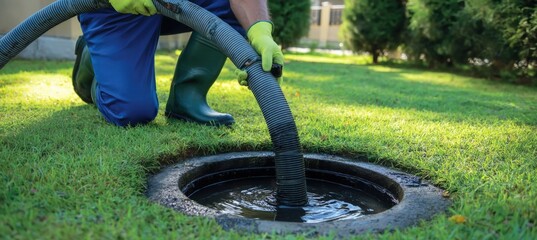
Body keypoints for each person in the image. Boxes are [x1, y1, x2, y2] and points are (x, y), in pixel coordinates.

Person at [72, 0, 283, 127]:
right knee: (131, 113)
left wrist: (259, 31)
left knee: (226, 3)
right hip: (114, 9)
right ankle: (92, 57)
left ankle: (187, 100)